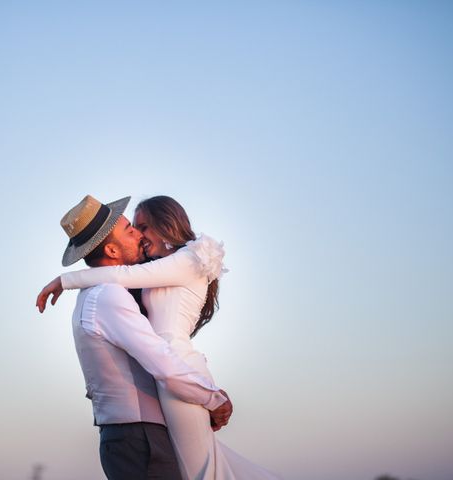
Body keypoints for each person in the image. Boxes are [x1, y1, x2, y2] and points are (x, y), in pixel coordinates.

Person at [37, 195, 281, 480]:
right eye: (132, 229)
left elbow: (159, 356)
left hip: (172, 384)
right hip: (148, 421)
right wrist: (211, 398)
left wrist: (65, 280)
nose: (139, 236)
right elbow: (161, 362)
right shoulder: (109, 295)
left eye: (141, 227)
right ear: (113, 250)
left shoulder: (177, 264)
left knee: (205, 472)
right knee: (206, 472)